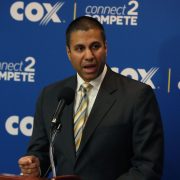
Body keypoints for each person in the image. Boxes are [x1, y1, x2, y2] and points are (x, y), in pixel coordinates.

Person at [18, 16, 164, 180]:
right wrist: (34, 165)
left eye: (95, 46)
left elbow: (147, 166)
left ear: (106, 47)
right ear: (68, 52)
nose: (89, 55)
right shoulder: (50, 95)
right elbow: (42, 152)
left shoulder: (137, 95)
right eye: (80, 48)